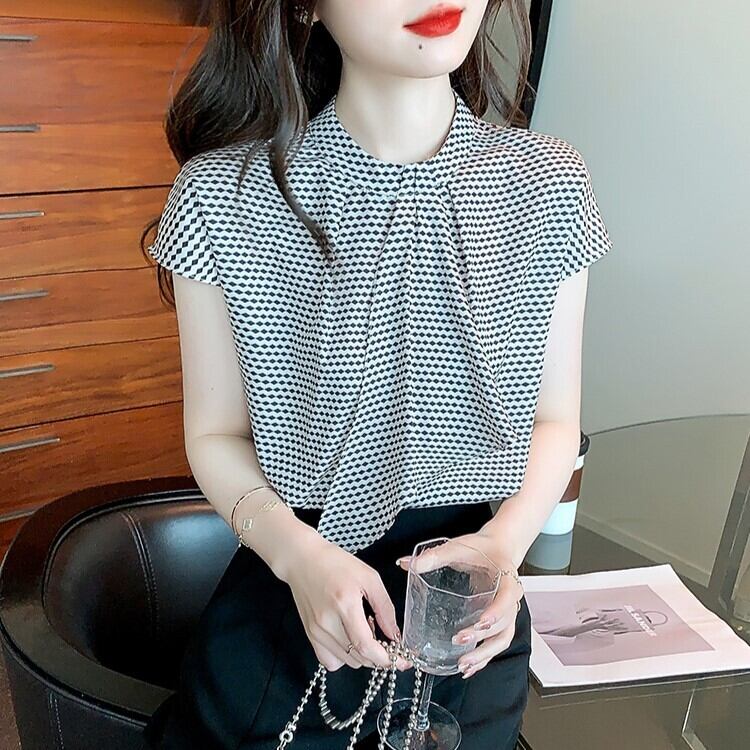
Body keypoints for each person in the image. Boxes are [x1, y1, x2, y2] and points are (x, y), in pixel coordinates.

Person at [140, 1, 614, 748]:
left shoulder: (548, 184)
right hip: (293, 601)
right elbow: (215, 435)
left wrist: (504, 544)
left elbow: (554, 420)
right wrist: (298, 557)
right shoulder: (221, 197)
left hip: (470, 619)